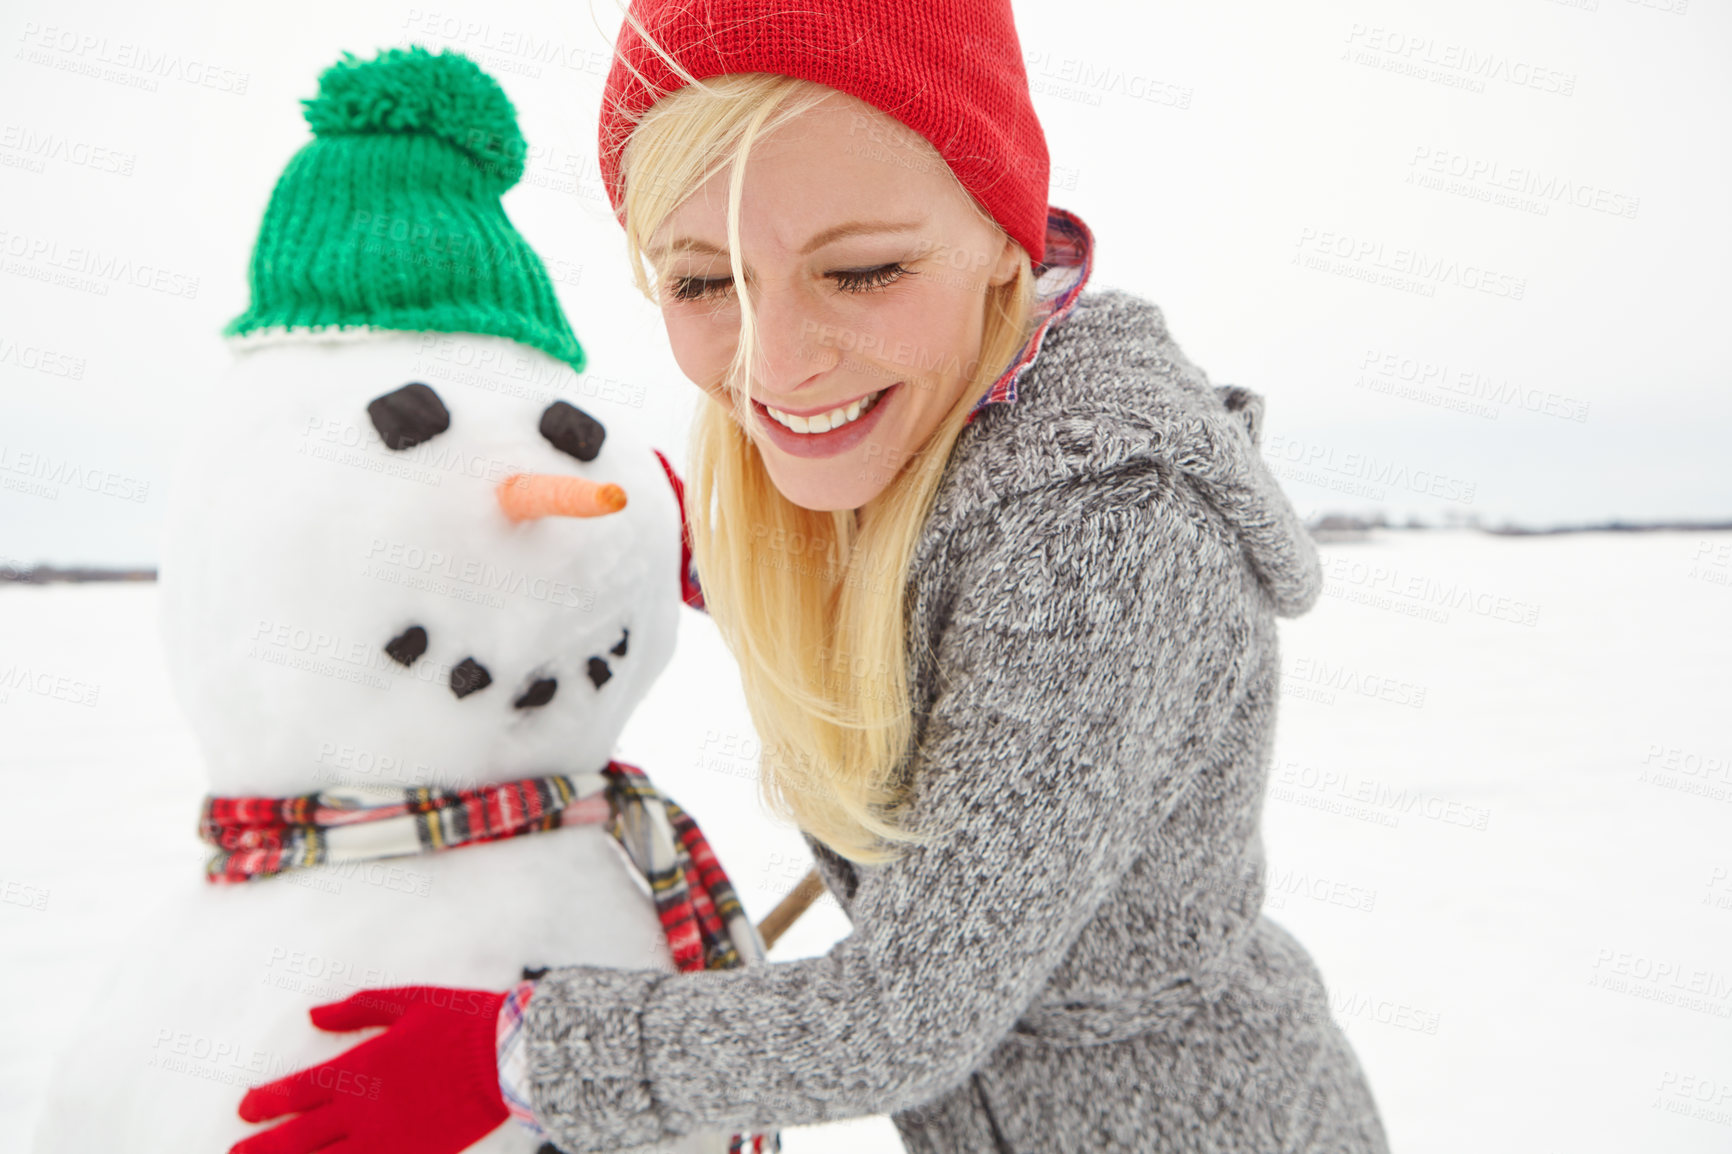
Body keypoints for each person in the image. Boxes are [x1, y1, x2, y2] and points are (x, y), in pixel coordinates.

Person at [229, 2, 1394, 1152]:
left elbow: (903, 1014)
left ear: (1006, 230)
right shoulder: (939, 431)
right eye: (699, 284)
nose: (776, 360)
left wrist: (521, 1058)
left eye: (866, 269)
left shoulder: (1109, 538)